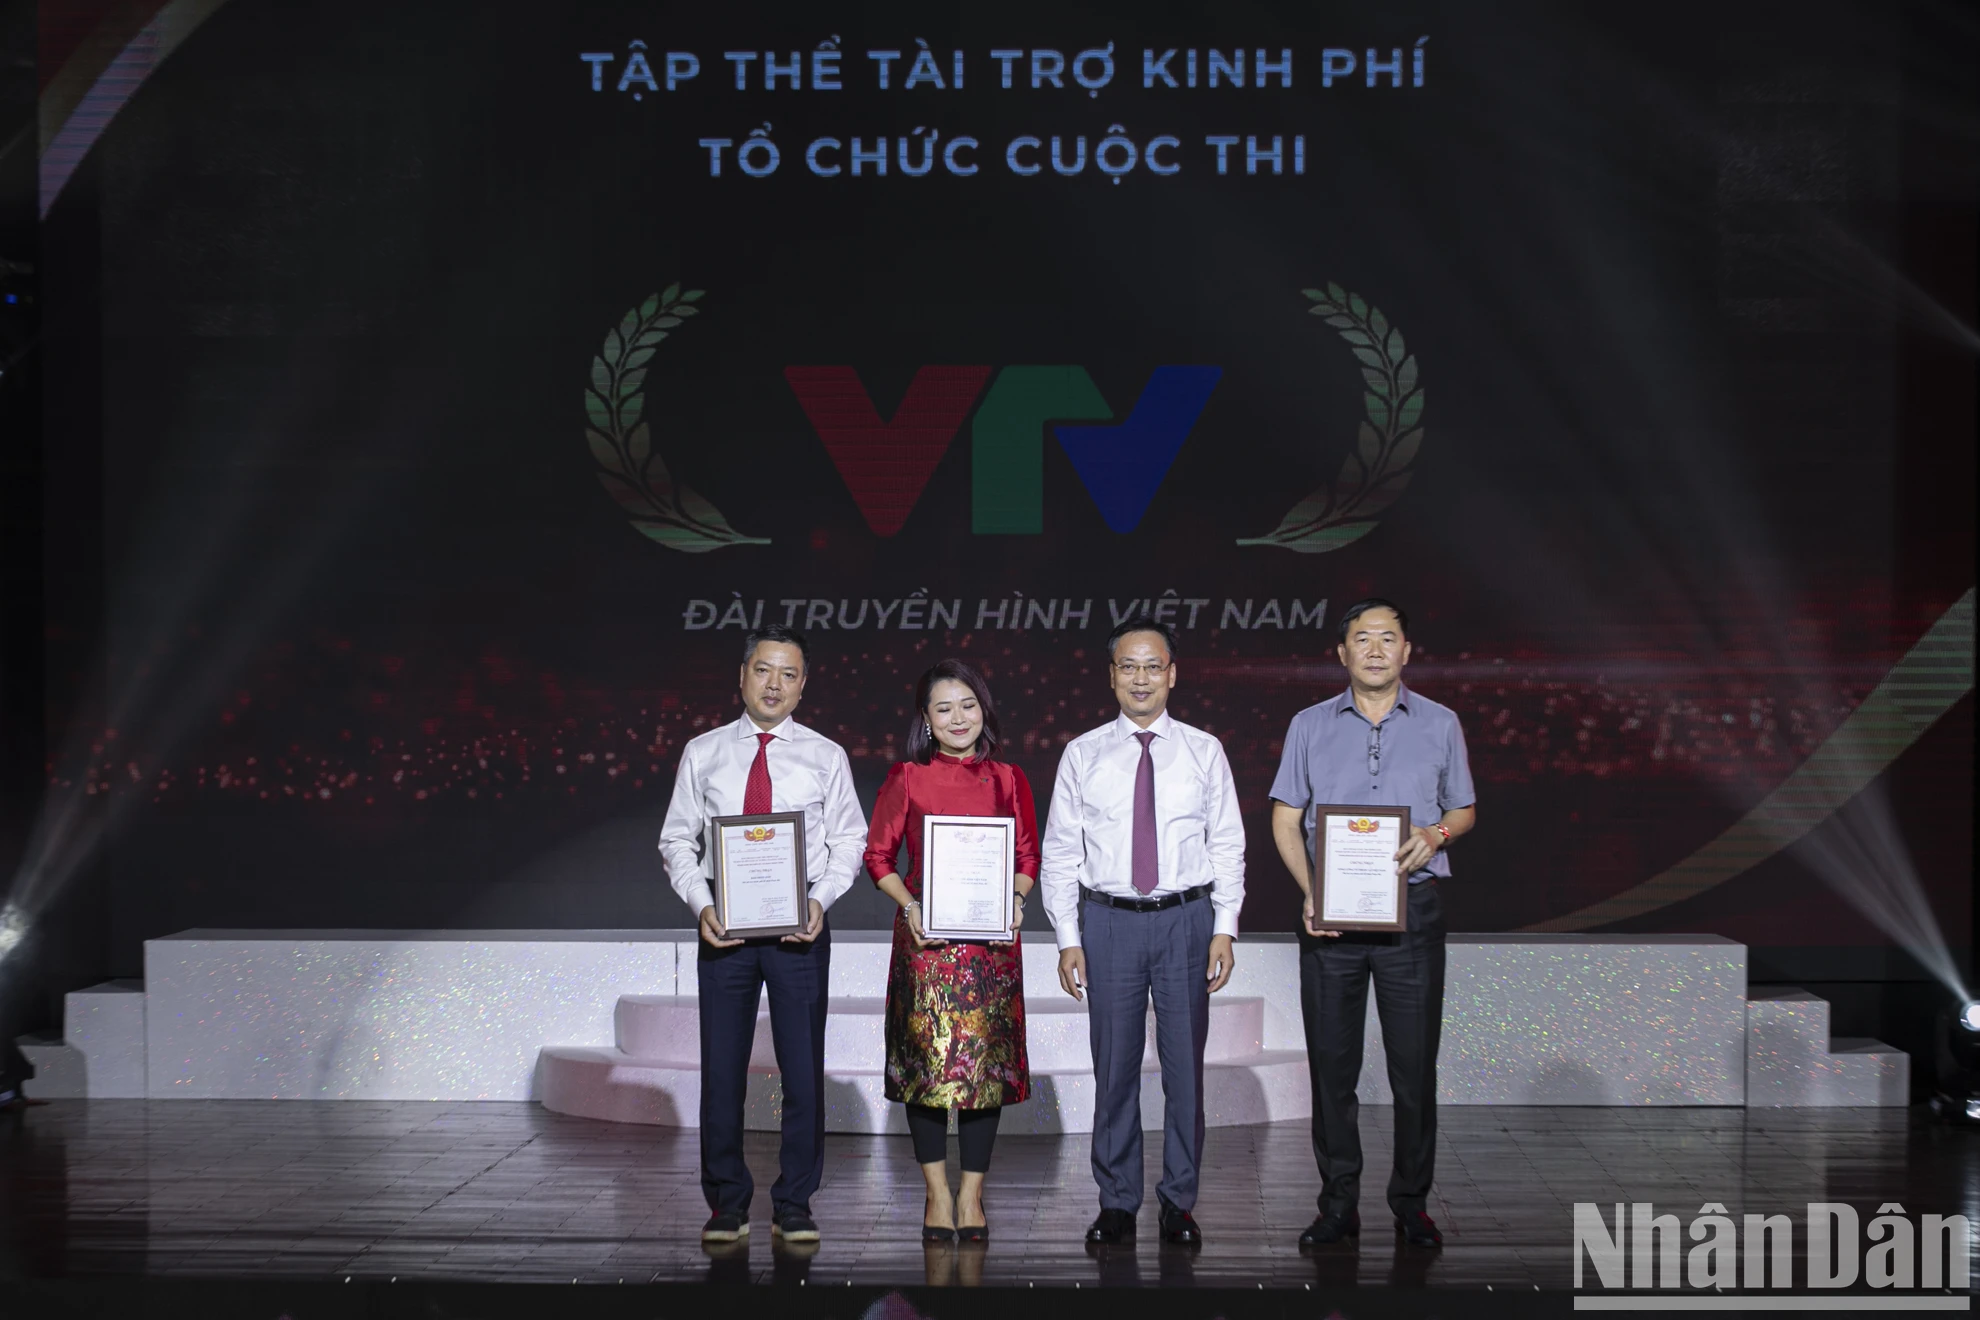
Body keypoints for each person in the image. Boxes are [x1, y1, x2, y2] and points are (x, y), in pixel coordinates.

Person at [1267, 598, 1477, 1250]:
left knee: (1414, 1069)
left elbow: (1464, 809)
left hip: (1412, 913)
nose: (1377, 649)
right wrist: (1310, 892)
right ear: (1343, 652)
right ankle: (1338, 1205)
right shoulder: (1308, 724)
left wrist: (1436, 834)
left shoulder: (1441, 724)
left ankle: (1411, 1205)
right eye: (1364, 639)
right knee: (1333, 1068)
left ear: (1407, 651)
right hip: (1329, 919)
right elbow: (1283, 817)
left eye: (1389, 638)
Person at [1040, 617, 1245, 1247]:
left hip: (1187, 921)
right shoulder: (1083, 752)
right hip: (1108, 924)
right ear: (1112, 676)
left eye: (1153, 665)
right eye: (1128, 666)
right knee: (1115, 1067)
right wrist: (1068, 936)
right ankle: (1118, 1200)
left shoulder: (1204, 750)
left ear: (1172, 675)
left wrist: (1225, 926)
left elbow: (1229, 844)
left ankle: (1179, 1201)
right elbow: (1059, 853)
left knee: (1185, 1071)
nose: (1141, 678)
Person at [659, 625, 867, 1245]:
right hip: (724, 926)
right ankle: (726, 1202)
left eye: (789, 674)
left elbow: (849, 841)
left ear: (803, 685)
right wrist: (701, 903)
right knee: (722, 1069)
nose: (774, 684)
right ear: (742, 676)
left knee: (802, 1070)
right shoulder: (704, 751)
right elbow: (677, 839)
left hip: (799, 928)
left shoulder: (826, 755)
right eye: (763, 671)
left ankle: (795, 1202)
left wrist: (820, 900)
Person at [863, 659, 1039, 1244]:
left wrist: (1016, 901)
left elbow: (1028, 859)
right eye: (944, 707)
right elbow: (878, 859)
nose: (958, 717)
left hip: (990, 949)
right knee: (926, 1075)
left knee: (983, 1078)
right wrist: (912, 907)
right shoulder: (907, 777)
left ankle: (972, 1196)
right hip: (927, 946)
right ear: (926, 719)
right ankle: (937, 1195)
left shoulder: (1010, 778)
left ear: (983, 708)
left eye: (968, 704)